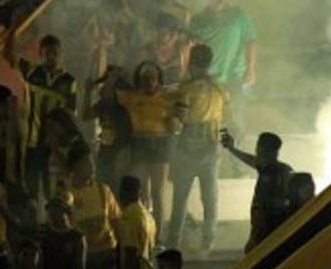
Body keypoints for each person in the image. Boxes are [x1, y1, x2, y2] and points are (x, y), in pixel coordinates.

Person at [166, 44, 228, 254]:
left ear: (191, 62)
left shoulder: (188, 89)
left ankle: (173, 241)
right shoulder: (220, 87)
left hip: (188, 150)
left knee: (180, 198)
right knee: (210, 199)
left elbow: (179, 120)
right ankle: (208, 242)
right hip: (212, 148)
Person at [6, 32, 78, 208]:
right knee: (30, 190)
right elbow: (8, 54)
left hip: (54, 146)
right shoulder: (31, 72)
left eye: (55, 53)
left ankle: (53, 226)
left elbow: (70, 114)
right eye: (47, 53)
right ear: (41, 54)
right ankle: (32, 227)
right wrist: (14, 28)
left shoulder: (69, 81)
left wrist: (62, 141)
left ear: (61, 54)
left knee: (53, 193)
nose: (51, 57)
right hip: (32, 141)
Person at [107, 61, 176, 240]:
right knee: (140, 192)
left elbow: (181, 106)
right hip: (139, 144)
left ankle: (159, 236)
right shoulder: (131, 96)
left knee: (158, 193)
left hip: (160, 144)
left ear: (158, 79)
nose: (149, 82)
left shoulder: (167, 96)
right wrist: (114, 77)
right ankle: (144, 232)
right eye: (145, 78)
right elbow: (108, 95)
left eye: (152, 78)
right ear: (139, 80)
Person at [65, 143, 120, 269]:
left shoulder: (102, 190)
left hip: (107, 254)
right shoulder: (66, 195)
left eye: (92, 164)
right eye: (86, 164)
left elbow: (116, 221)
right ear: (74, 168)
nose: (92, 168)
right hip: (84, 258)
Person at [220, 129, 294, 253]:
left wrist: (255, 237)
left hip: (269, 231)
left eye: (259, 148)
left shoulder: (283, 173)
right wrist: (232, 149)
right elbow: (251, 159)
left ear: (270, 152)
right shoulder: (267, 167)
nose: (256, 151)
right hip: (263, 230)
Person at [190, 0, 257, 109]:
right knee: (213, 118)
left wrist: (250, 69)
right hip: (209, 78)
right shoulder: (198, 19)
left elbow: (250, 41)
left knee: (236, 119)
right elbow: (191, 48)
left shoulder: (239, 14)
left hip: (235, 77)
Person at [80, 66, 133, 191]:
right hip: (106, 149)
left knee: (118, 186)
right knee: (103, 185)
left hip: (122, 149)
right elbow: (86, 115)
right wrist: (87, 92)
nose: (104, 86)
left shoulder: (125, 101)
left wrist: (112, 78)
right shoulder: (104, 103)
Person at [84, 0, 150, 78]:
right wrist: (103, 42)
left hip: (126, 60)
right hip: (106, 58)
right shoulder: (97, 16)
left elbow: (143, 38)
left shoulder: (132, 17)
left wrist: (130, 19)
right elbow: (89, 41)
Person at [0, 85, 26, 194]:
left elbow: (14, 136)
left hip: (14, 182)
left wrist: (13, 113)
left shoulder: (18, 122)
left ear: (5, 105)